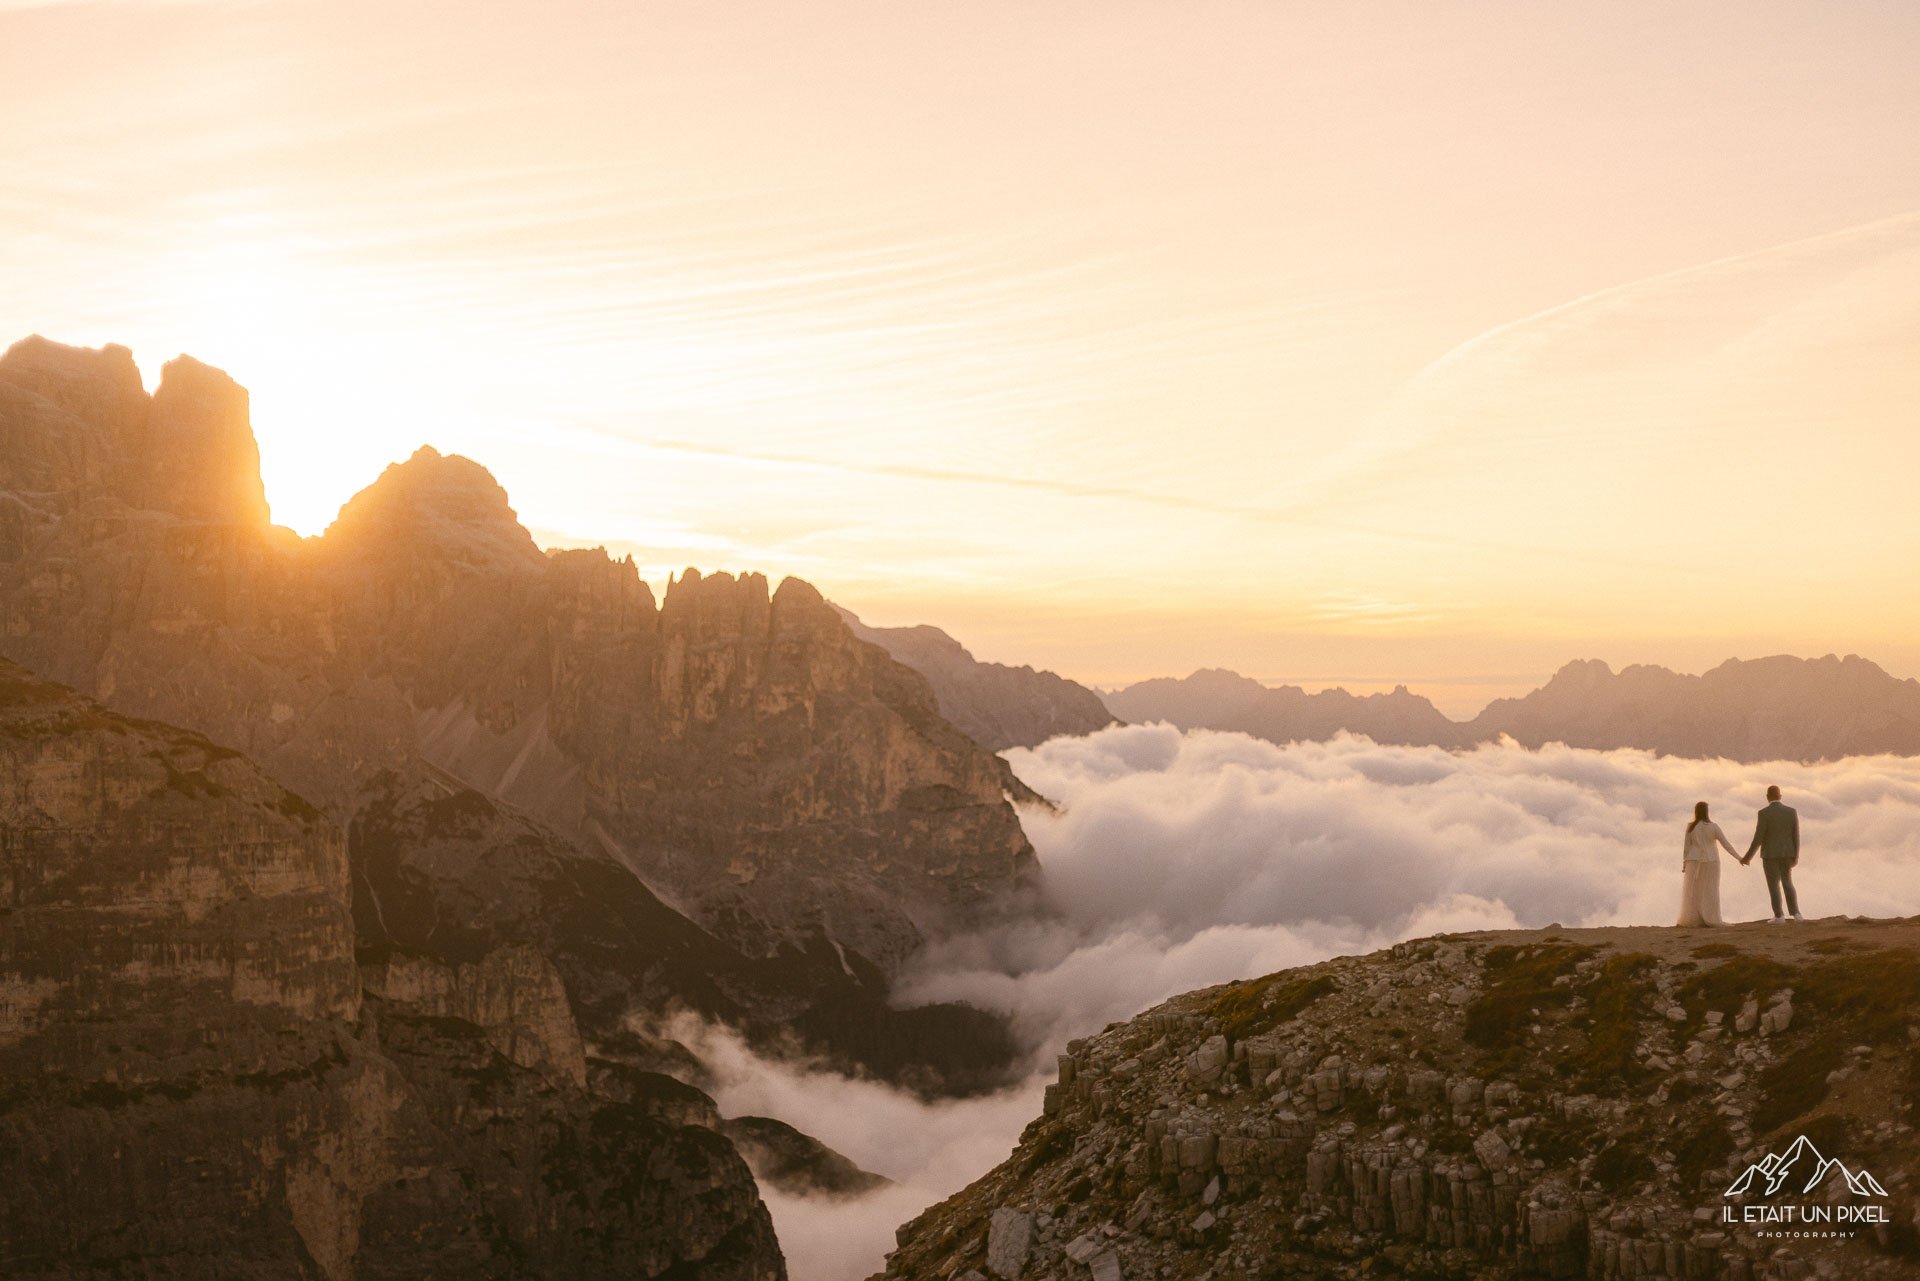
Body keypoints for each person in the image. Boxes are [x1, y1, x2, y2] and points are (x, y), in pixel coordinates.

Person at [1741, 784, 1802, 923]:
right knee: (1788, 882)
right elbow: (1796, 835)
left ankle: (1779, 916)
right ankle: (1796, 914)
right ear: (1780, 796)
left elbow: (1758, 838)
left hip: (1770, 855)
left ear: (1767, 797)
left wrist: (1747, 857)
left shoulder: (1764, 813)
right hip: (1788, 853)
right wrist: (1796, 855)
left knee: (1774, 885)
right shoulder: (1791, 812)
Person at [1678, 801, 1736, 927]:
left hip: (1693, 861)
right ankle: (1711, 917)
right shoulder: (1713, 826)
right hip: (1711, 861)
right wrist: (1739, 857)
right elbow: (1726, 844)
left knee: (1694, 891)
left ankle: (1695, 918)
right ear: (1706, 812)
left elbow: (1686, 847)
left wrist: (1684, 863)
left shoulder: (1691, 827)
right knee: (1711, 890)